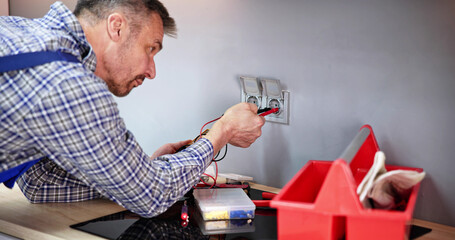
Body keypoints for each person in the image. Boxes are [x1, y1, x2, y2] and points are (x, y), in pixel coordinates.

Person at [0, 0, 265, 218]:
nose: (152, 71)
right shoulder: (69, 85)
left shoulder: (18, 30)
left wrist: (134, 173)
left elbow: (40, 182)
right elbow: (151, 196)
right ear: (116, 27)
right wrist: (223, 131)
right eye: (150, 49)